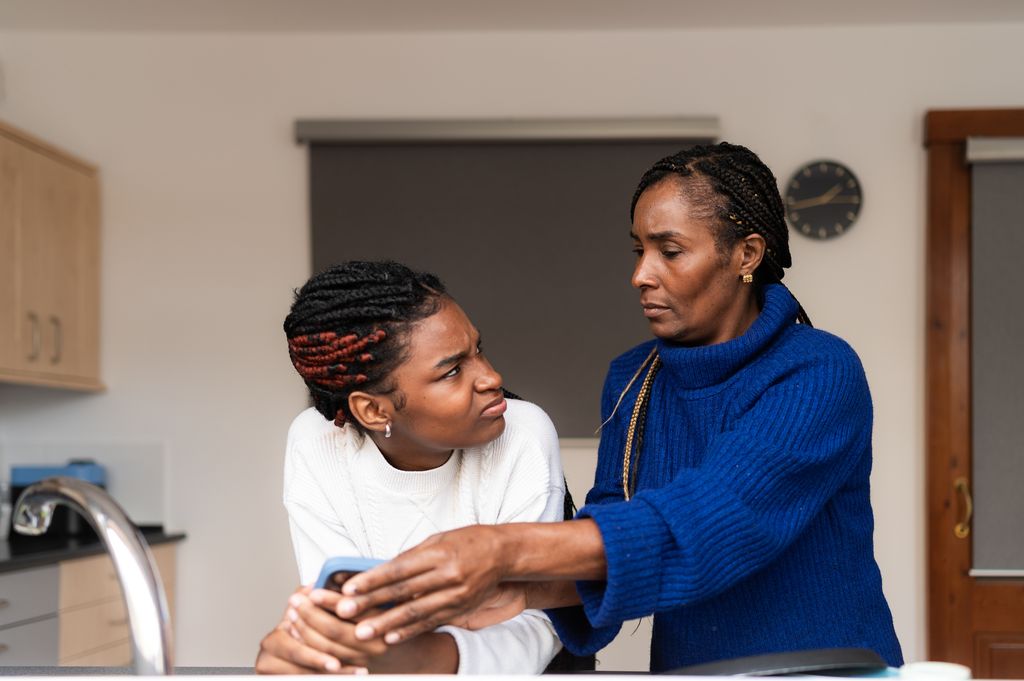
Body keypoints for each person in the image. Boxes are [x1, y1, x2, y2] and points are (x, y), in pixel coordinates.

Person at [323, 143, 904, 672]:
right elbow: (615, 534)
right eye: (639, 249)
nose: (639, 275)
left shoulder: (818, 371)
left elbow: (710, 521)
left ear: (746, 254)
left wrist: (499, 550)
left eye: (670, 251)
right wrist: (522, 592)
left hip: (825, 670)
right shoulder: (633, 379)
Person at [254, 261, 566, 674]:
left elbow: (537, 624)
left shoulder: (523, 434)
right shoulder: (318, 444)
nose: (492, 377)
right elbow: (341, 615)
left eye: (479, 350)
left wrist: (410, 659)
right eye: (452, 371)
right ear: (372, 409)